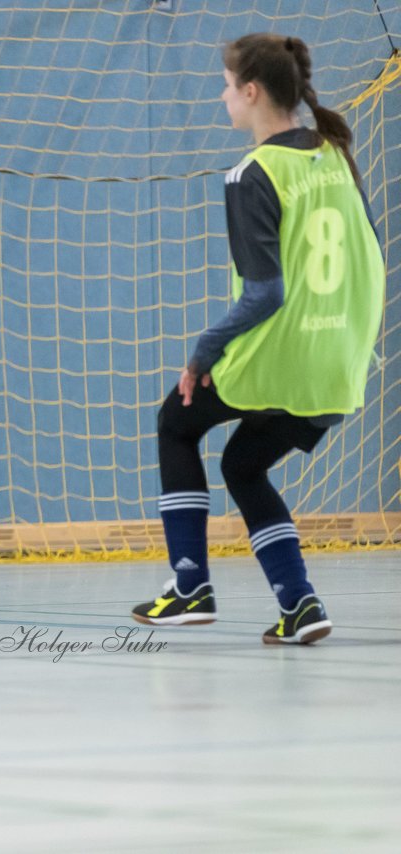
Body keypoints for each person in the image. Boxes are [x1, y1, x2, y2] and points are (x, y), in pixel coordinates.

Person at [131, 33, 384, 644]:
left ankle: (190, 587)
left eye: (225, 85)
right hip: (339, 362)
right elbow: (372, 258)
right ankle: (300, 605)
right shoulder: (334, 154)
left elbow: (264, 295)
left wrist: (203, 354)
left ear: (251, 91)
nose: (222, 97)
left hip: (284, 356)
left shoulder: (254, 172)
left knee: (176, 420)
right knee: (244, 465)